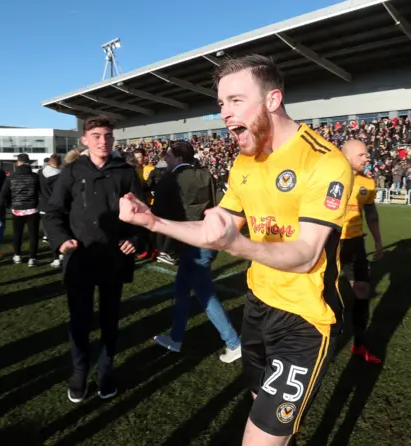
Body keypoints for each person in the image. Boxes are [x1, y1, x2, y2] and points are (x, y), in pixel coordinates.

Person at [119, 55, 354, 446]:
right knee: (262, 409)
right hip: (257, 307)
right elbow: (217, 228)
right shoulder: (245, 163)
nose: (224, 113)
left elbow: (307, 255)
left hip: (305, 320)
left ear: (272, 100)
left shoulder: (324, 161)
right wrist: (154, 223)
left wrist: (237, 244)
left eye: (235, 101)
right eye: (222, 104)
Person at [44, 116, 144, 403]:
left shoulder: (125, 172)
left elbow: (141, 213)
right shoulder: (73, 171)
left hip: (114, 260)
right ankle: (79, 373)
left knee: (110, 320)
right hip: (80, 259)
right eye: (97, 136)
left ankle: (105, 372)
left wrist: (133, 239)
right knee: (80, 321)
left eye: (108, 136)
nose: (104, 141)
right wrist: (61, 240)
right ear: (85, 140)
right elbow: (53, 213)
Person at [151, 141, 242, 362]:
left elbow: (159, 215)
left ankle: (234, 342)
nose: (167, 160)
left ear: (179, 159)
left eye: (170, 157)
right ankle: (176, 337)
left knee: (205, 294)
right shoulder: (206, 175)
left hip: (191, 242)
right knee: (182, 290)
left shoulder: (170, 180)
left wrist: (162, 246)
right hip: (208, 238)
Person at [339, 140, 383, 363]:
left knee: (362, 293)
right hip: (330, 245)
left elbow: (372, 215)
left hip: (355, 244)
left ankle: (359, 343)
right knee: (320, 294)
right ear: (346, 157)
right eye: (362, 155)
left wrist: (378, 242)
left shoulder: (368, 183)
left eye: (367, 154)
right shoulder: (331, 179)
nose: (367, 158)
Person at [0, 154, 41, 266]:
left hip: (17, 209)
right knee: (33, 235)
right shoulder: (35, 177)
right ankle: (33, 258)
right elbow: (41, 193)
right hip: (32, 209)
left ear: (18, 163)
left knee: (17, 234)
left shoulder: (11, 177)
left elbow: (3, 195)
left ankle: (17, 255)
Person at [39, 153, 63, 268]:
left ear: (49, 162)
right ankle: (61, 254)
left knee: (51, 235)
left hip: (45, 207)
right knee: (61, 232)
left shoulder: (40, 174)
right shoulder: (61, 176)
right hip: (59, 207)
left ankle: (56, 258)